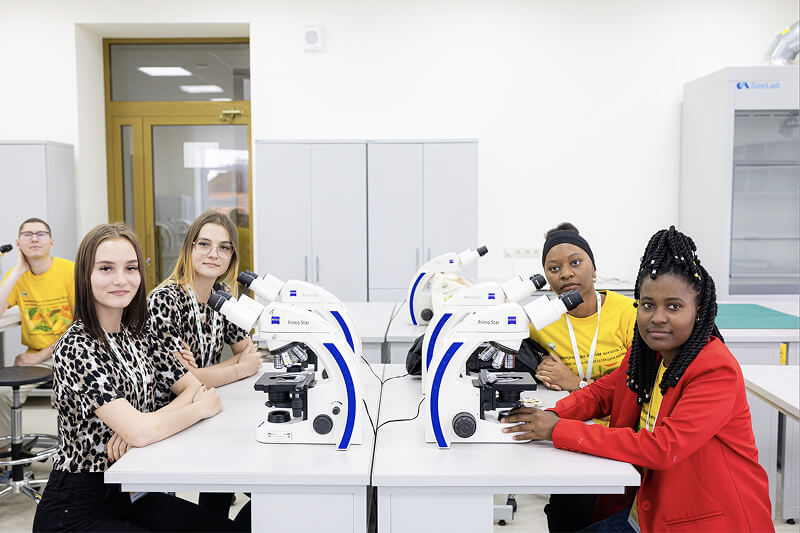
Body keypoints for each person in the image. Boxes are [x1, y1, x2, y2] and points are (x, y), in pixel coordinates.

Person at [503, 226, 773, 533]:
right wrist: (549, 415)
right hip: (647, 508)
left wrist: (558, 430)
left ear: (699, 312)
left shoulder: (715, 369)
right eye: (648, 305)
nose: (657, 317)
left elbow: (663, 447)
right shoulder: (649, 353)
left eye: (674, 306)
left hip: (705, 520)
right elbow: (603, 392)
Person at [33, 223, 238, 532]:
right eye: (106, 268)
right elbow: (150, 428)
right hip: (77, 507)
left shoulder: (138, 334)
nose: (121, 279)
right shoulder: (77, 347)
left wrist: (141, 424)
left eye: (131, 268)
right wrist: (195, 410)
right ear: (85, 276)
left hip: (132, 491)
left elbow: (193, 387)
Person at [147, 209, 261, 519]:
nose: (214, 254)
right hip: (173, 415)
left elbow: (249, 353)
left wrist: (204, 373)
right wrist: (236, 368)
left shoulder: (221, 296)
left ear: (232, 256)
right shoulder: (164, 300)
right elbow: (182, 381)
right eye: (205, 244)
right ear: (189, 247)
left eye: (224, 247)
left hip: (209, 406)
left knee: (263, 477)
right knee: (244, 470)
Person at [530, 222, 637, 531]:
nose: (565, 273)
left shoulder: (628, 313)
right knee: (566, 511)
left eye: (575, 263)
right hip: (571, 429)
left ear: (594, 269)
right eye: (554, 268)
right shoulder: (540, 321)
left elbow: (633, 386)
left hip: (621, 431)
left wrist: (574, 383)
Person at [0, 218, 74, 448]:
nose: (34, 239)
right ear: (18, 243)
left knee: (69, 395)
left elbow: (81, 324)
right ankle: (6, 457)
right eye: (27, 234)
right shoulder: (17, 275)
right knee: (3, 393)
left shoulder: (69, 271)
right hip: (37, 357)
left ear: (51, 242)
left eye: (40, 234)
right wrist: (18, 271)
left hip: (71, 352)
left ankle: (71, 452)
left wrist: (40, 355)